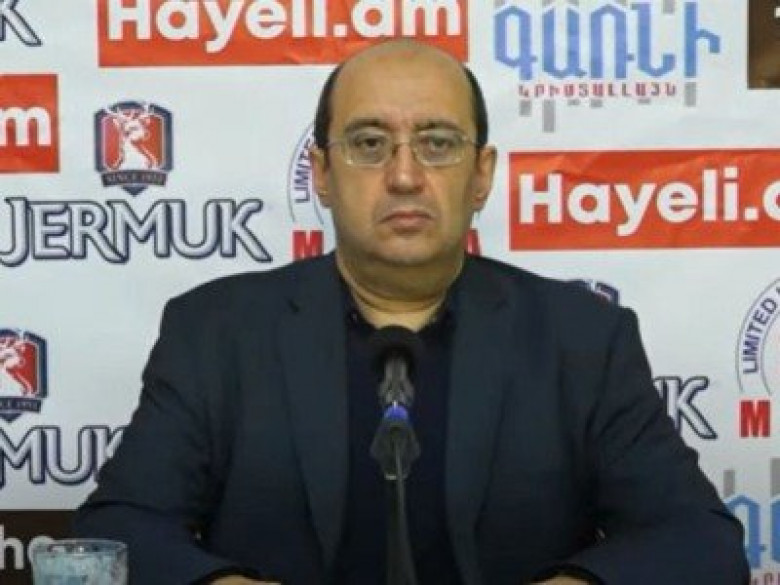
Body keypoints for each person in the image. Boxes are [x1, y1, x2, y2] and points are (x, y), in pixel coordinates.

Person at [73, 40, 749, 585]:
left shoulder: (582, 339)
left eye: (438, 143)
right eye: (369, 143)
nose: (403, 175)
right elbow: (118, 532)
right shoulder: (215, 332)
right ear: (323, 174)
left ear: (481, 175)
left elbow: (698, 541)